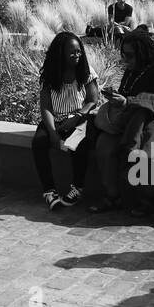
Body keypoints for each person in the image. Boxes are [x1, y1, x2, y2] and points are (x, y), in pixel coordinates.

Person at [91, 28, 154, 216]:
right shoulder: (132, 71)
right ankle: (113, 195)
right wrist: (117, 98)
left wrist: (128, 102)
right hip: (133, 121)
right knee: (104, 145)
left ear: (143, 53)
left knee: (147, 150)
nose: (125, 60)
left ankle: (147, 199)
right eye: (123, 55)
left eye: (130, 55)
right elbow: (127, 95)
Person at [32, 31, 102, 210]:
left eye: (79, 51)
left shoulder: (85, 70)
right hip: (56, 119)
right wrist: (53, 134)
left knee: (79, 143)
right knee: (39, 142)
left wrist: (77, 118)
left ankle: (77, 187)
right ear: (60, 53)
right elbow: (46, 106)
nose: (77, 55)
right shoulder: (49, 74)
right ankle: (49, 191)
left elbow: (93, 100)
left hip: (79, 118)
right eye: (72, 52)